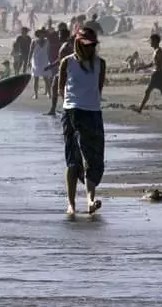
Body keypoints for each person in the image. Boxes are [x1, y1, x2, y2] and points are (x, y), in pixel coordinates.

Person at [57, 27, 106, 216]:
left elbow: (98, 88)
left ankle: (90, 200)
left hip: (93, 113)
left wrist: (89, 102)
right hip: (72, 112)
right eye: (86, 45)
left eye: (93, 45)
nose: (90, 48)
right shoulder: (67, 62)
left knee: (93, 159)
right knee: (73, 159)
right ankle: (71, 204)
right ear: (78, 43)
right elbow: (61, 88)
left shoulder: (100, 63)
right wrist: (70, 104)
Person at [136, 33, 162, 114]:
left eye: (151, 41)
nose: (150, 43)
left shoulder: (159, 51)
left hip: (158, 74)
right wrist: (141, 68)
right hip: (157, 73)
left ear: (155, 41)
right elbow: (152, 64)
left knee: (149, 91)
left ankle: (140, 109)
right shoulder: (156, 51)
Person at [29, 28, 52, 98]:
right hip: (36, 61)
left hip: (44, 61)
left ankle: (49, 93)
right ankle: (35, 94)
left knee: (46, 78)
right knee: (36, 78)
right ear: (38, 34)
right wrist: (28, 62)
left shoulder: (47, 41)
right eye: (40, 33)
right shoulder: (34, 41)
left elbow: (49, 52)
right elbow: (30, 52)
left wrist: (50, 61)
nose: (42, 34)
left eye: (43, 33)